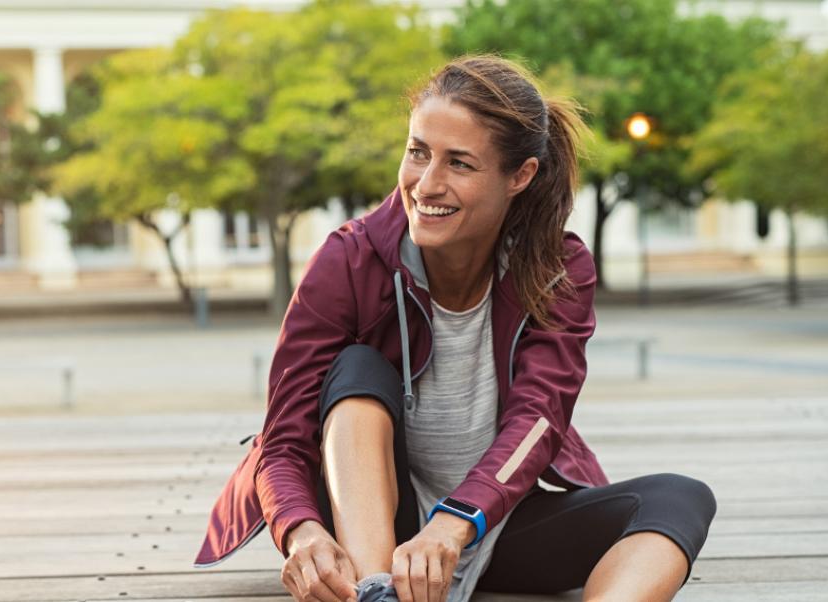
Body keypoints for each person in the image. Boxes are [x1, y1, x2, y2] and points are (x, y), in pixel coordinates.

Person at [194, 55, 716, 602]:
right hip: (375, 536)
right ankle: (379, 595)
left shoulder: (557, 269)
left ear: (520, 176)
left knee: (680, 498)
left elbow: (540, 417)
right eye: (418, 152)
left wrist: (456, 521)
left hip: (490, 526)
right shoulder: (347, 260)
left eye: (460, 164)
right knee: (356, 369)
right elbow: (281, 439)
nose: (427, 184)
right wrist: (300, 530)